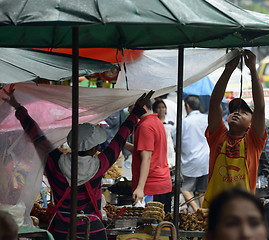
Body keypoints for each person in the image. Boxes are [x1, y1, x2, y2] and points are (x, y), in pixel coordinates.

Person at [3, 87, 153, 240]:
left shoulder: (54, 159)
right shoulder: (101, 164)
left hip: (62, 230)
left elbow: (35, 133)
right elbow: (119, 139)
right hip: (93, 230)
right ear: (94, 148)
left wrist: (17, 107)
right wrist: (136, 112)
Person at [202, 50, 266, 208]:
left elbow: (260, 108)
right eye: (234, 111)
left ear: (251, 125)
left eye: (244, 112)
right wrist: (228, 70)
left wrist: (252, 69)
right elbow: (214, 103)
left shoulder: (253, 142)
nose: (237, 113)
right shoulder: (218, 135)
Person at [125, 100, 172, 212]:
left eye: (131, 107)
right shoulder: (156, 121)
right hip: (162, 183)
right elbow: (143, 152)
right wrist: (123, 143)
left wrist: (140, 188)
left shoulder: (145, 126)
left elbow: (146, 158)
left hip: (151, 187)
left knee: (150, 227)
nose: (129, 110)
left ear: (143, 106)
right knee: (162, 226)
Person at [173, 95, 209, 212]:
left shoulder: (184, 122)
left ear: (187, 106)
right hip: (206, 160)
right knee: (202, 190)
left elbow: (174, 139)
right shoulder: (207, 119)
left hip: (190, 161)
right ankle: (204, 214)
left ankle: (196, 209)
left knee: (183, 188)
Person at [152, 99, 175, 168]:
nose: (161, 109)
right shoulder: (154, 124)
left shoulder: (170, 124)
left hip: (170, 151)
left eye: (163, 107)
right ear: (155, 110)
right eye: (159, 107)